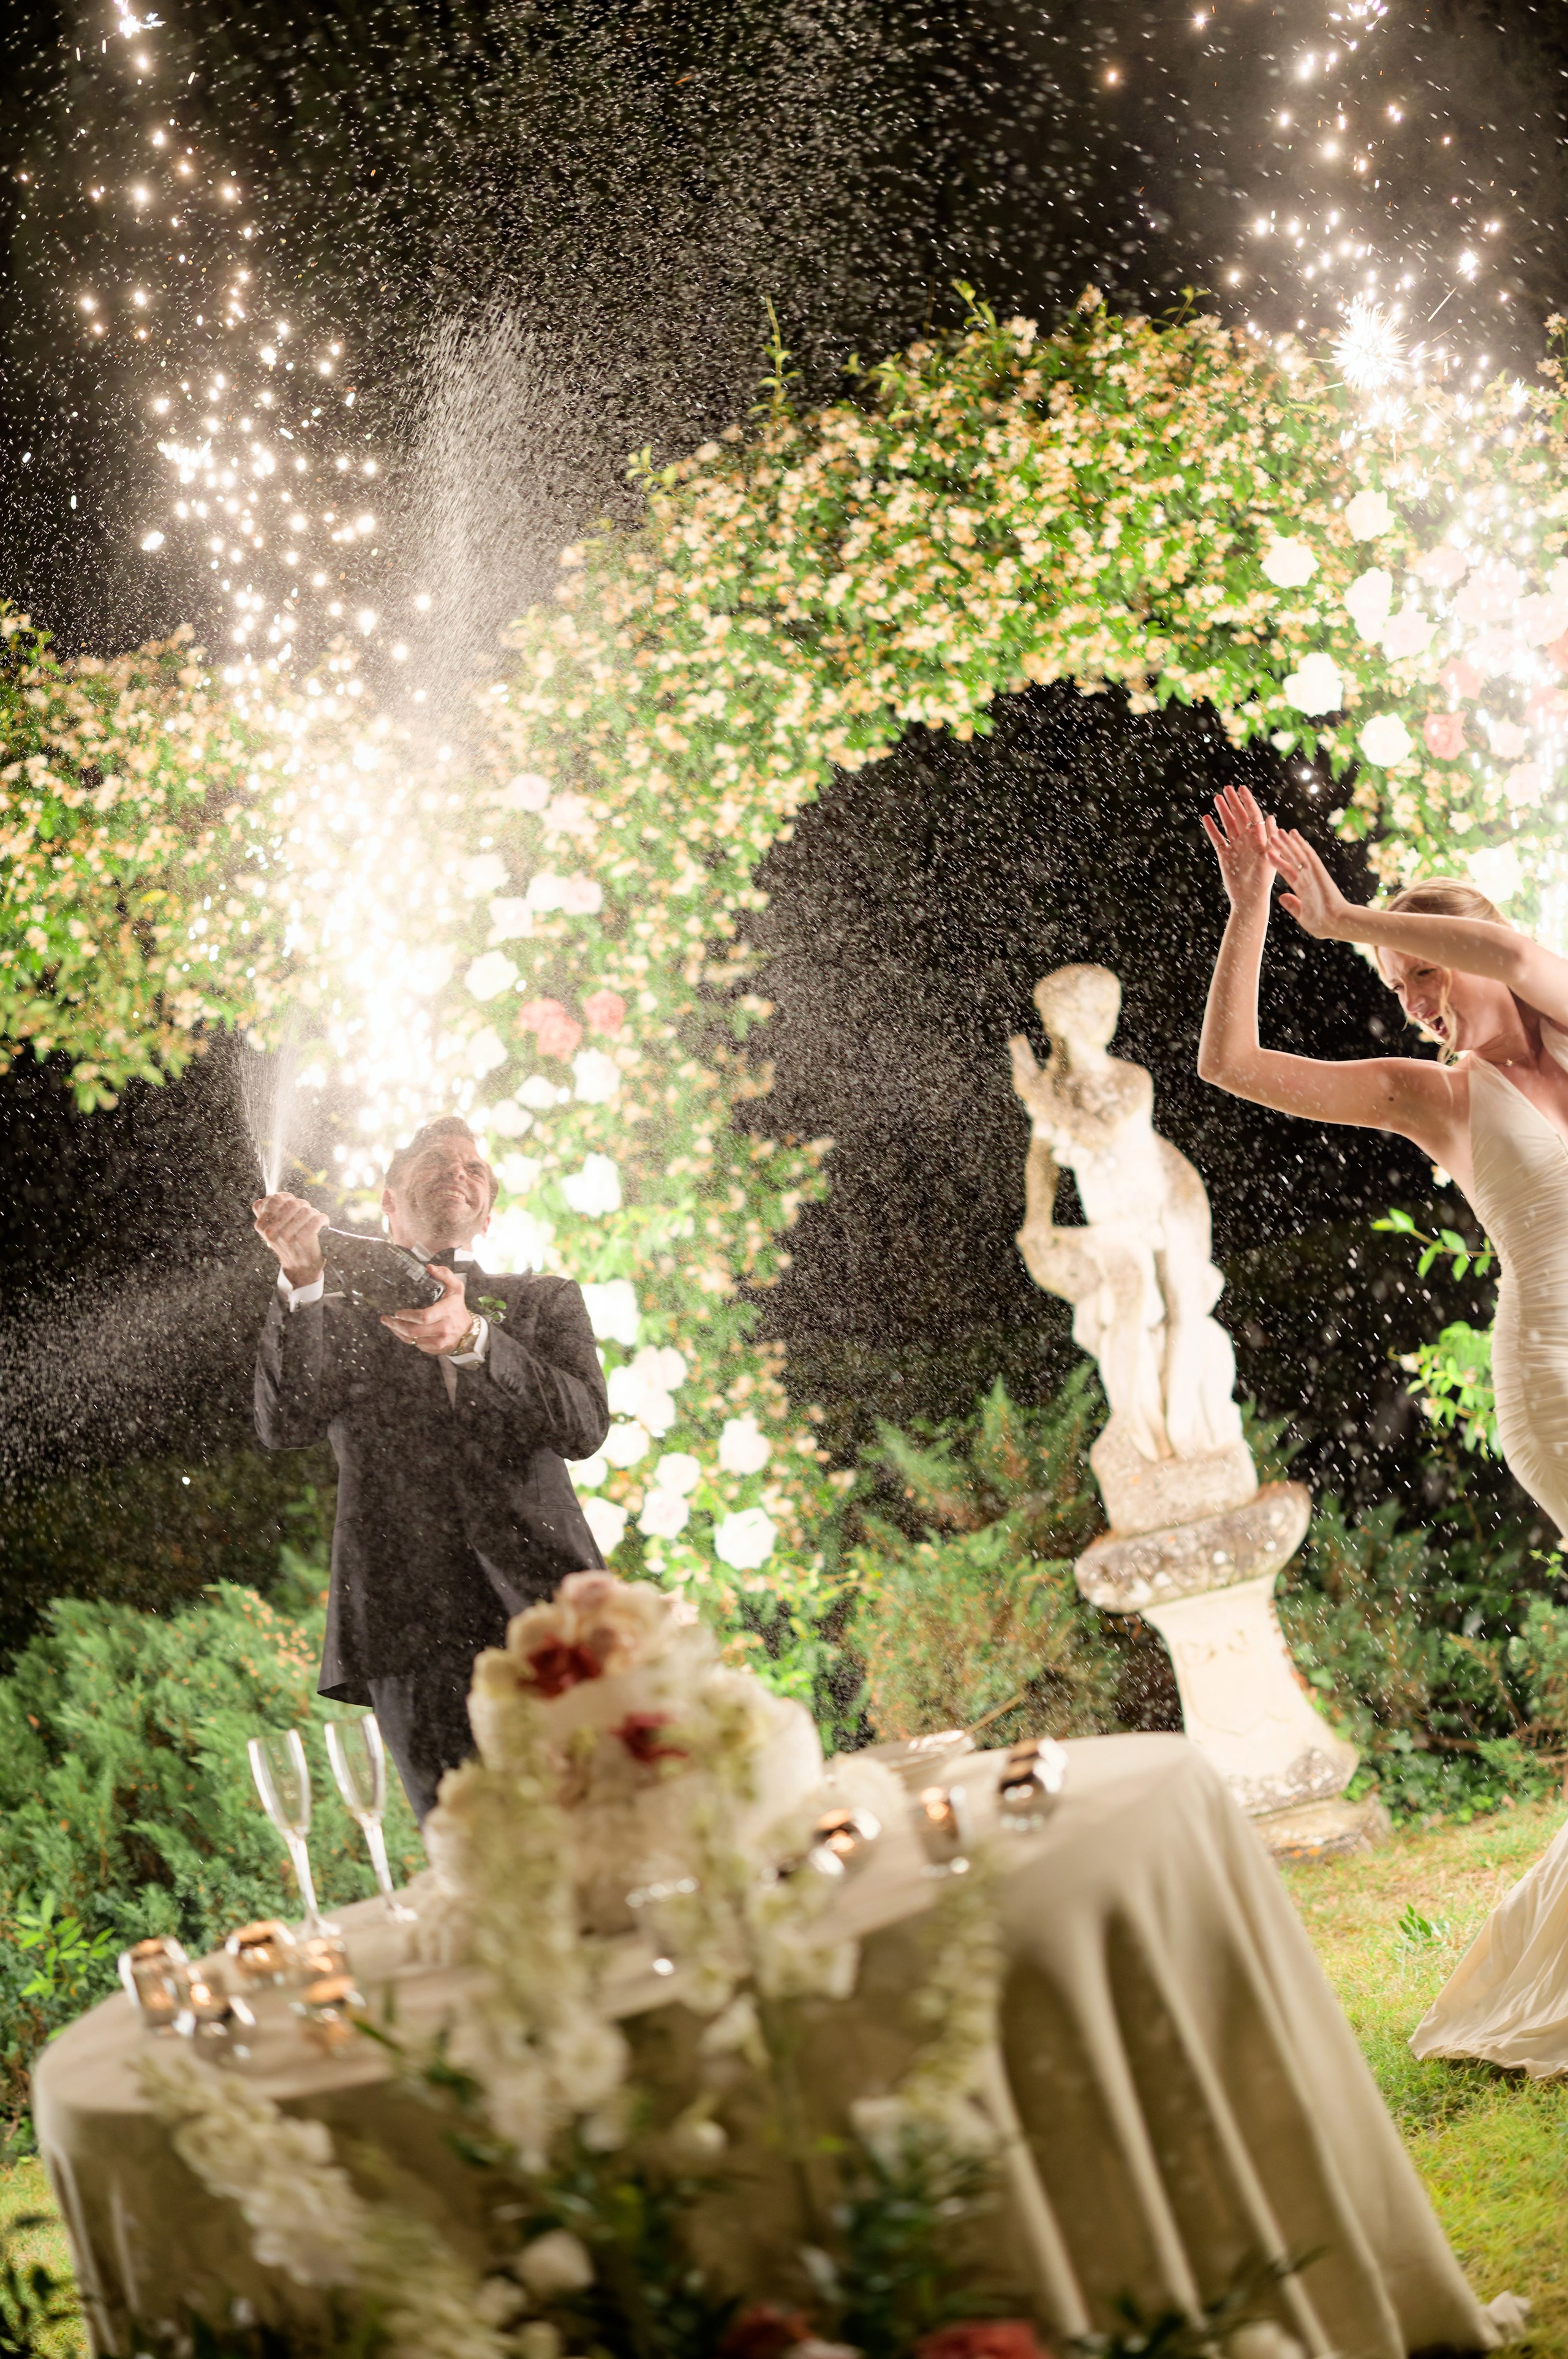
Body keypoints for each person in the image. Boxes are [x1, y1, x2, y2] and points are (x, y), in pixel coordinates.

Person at [1199, 779, 1568, 2072]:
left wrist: (1355, 913)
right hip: (1556, 1371)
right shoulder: (1442, 1095)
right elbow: (1230, 1067)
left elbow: (1520, 955)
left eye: (1424, 974)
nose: (1408, 998)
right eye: (1398, 985)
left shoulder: (1556, 1013)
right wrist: (1254, 908)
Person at [252, 1115, 609, 1821]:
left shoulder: (544, 1301)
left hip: (551, 1610)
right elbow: (284, 1423)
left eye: (474, 1168)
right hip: (406, 1629)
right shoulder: (336, 1316)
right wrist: (300, 1277)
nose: (459, 1172)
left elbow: (583, 1426)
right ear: (388, 1199)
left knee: (599, 1818)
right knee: (468, 1848)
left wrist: (477, 1338)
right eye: (437, 1162)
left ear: (489, 1209)